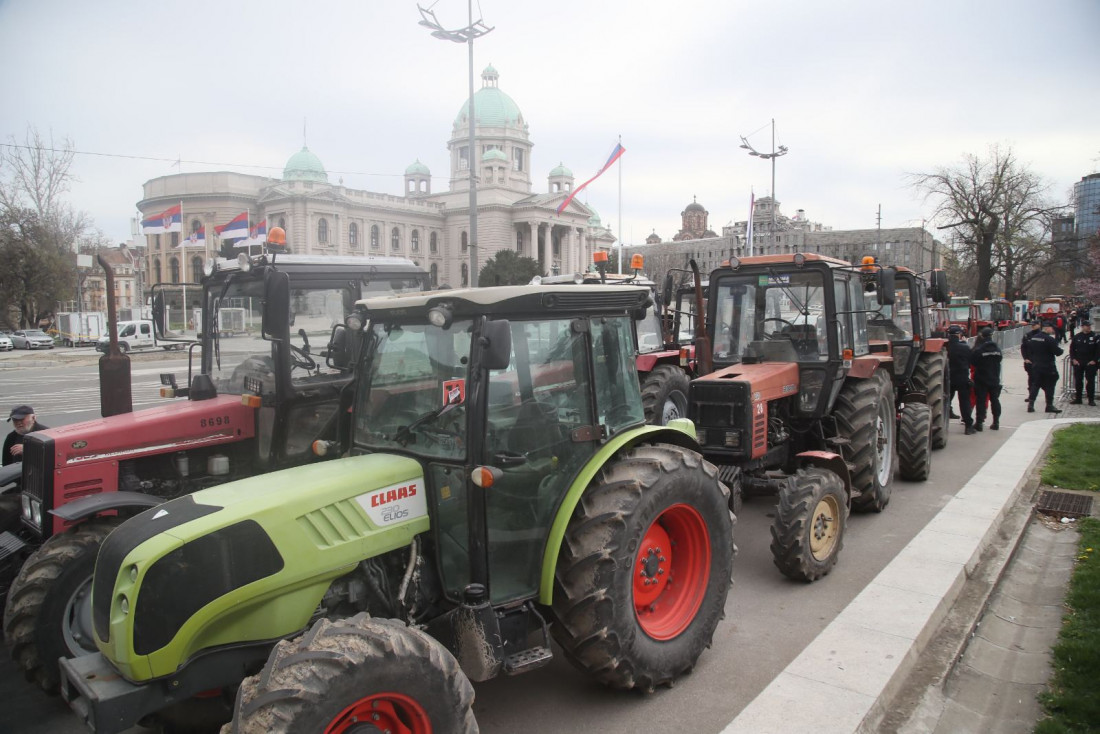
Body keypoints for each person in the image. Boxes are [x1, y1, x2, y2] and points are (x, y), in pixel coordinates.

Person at [1023, 324, 1064, 413]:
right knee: (1050, 385)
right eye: (1052, 328)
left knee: (1036, 385)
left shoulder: (1034, 338)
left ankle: (1031, 404)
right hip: (1048, 366)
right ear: (1047, 328)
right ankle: (1049, 405)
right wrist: (1061, 350)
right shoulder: (1049, 339)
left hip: (1036, 365)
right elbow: (1058, 352)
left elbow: (1029, 350)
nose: (1053, 330)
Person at [970, 327, 1002, 430]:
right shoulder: (997, 350)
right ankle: (996, 422)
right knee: (995, 400)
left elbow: (973, 362)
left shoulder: (979, 350)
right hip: (994, 379)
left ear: (982, 336)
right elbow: (999, 360)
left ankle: (979, 423)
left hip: (981, 379)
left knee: (981, 401)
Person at [947, 325, 977, 435]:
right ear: (959, 334)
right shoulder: (964, 347)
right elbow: (970, 361)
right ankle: (968, 426)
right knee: (964, 402)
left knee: (946, 399)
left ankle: (946, 415)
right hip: (962, 377)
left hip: (948, 378)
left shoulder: (945, 346)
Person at [1069, 321, 1098, 406]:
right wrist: (1073, 359)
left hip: (1090, 362)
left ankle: (1091, 399)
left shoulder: (1095, 336)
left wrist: (1094, 360)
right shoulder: (1077, 337)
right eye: (1087, 326)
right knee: (1078, 381)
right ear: (1082, 327)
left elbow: (1098, 350)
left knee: (1090, 382)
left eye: (1089, 325)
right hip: (1079, 362)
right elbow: (1072, 349)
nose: (1089, 327)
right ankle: (1078, 398)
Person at [1020, 320, 1042, 402]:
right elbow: (1023, 347)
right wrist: (1025, 358)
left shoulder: (1042, 336)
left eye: (1034, 325)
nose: (1033, 326)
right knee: (1031, 379)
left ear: (1039, 325)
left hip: (1040, 361)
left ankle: (1048, 397)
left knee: (1042, 380)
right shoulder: (1027, 335)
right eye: (1032, 325)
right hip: (1030, 361)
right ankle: (1031, 396)